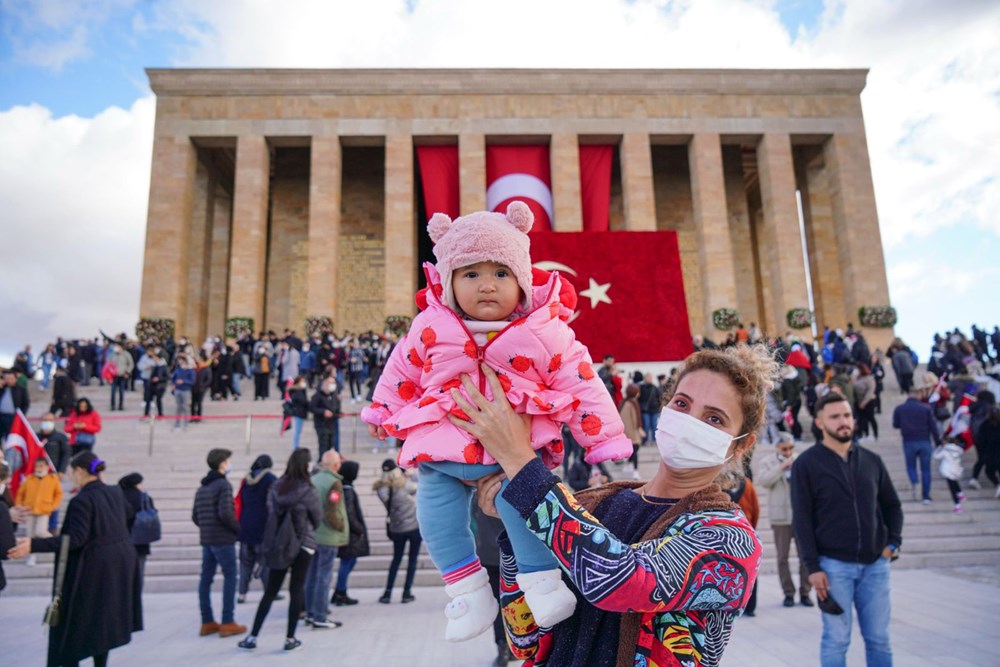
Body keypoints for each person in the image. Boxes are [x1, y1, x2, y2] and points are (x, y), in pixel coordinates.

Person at [362, 203, 631, 640]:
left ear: (522, 280)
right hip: (444, 449)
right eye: (471, 274)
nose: (487, 285)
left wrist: (603, 439)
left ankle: (540, 580)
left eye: (501, 274)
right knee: (434, 510)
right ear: (448, 281)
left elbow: (582, 382)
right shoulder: (430, 325)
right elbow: (401, 371)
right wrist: (382, 410)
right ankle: (466, 589)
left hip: (514, 457)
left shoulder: (547, 331)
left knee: (519, 503)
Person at [456, 347, 766, 667]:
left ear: (741, 444)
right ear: (665, 406)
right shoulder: (591, 504)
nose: (690, 421)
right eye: (682, 404)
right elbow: (524, 640)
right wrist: (517, 522)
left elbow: (621, 581)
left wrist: (522, 463)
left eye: (714, 418)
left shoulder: (731, 540)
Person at [792, 393, 903, 667]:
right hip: (833, 568)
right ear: (819, 422)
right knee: (836, 638)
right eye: (835, 417)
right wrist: (812, 567)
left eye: (846, 415)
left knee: (879, 638)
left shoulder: (872, 460)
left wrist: (892, 544)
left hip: (876, 565)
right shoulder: (806, 464)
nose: (843, 422)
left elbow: (892, 506)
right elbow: (802, 520)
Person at [7, 451, 143, 666]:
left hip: (91, 571)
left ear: (80, 471)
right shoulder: (115, 493)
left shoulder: (83, 500)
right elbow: (127, 516)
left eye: (71, 471)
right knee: (102, 624)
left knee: (74, 625)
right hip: (117, 567)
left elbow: (75, 540)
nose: (70, 476)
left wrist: (34, 544)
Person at [239, 448, 322, 652]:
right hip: (304, 544)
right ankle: (290, 638)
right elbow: (317, 519)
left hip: (280, 544)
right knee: (296, 590)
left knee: (270, 592)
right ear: (306, 465)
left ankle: (253, 636)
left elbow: (271, 513)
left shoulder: (277, 486)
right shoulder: (308, 489)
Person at [192, 448, 246, 638]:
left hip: (207, 539)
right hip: (223, 539)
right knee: (231, 576)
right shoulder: (223, 485)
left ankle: (207, 621)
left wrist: (207, 527)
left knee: (206, 579)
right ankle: (227, 621)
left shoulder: (202, 488)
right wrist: (238, 529)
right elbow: (226, 513)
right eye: (228, 461)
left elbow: (195, 516)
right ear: (222, 463)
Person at [756, 433, 813, 608]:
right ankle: (788, 592)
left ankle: (805, 592)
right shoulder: (769, 462)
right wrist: (781, 466)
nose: (788, 452)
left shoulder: (801, 460)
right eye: (784, 449)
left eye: (790, 448)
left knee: (805, 556)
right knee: (782, 557)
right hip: (780, 517)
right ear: (778, 448)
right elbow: (764, 481)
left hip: (801, 516)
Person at [303, 449, 347, 629]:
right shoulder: (334, 483)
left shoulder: (313, 480)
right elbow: (332, 509)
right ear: (336, 465)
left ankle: (310, 612)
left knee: (311, 575)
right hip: (328, 536)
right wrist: (340, 526)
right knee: (324, 576)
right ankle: (320, 615)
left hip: (313, 534)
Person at [374, 459, 422, 604]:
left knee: (396, 559)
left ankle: (388, 592)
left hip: (396, 528)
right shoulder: (405, 485)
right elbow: (420, 486)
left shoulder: (381, 489)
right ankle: (406, 592)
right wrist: (412, 474)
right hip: (414, 527)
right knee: (412, 560)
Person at [236, 454, 277, 603]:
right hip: (263, 527)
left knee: (245, 564)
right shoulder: (270, 479)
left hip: (245, 527)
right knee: (265, 562)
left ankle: (241, 594)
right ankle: (270, 593)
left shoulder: (246, 480)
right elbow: (272, 504)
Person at [718, 470, 759, 616]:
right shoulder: (746, 483)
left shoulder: (716, 485)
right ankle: (749, 606)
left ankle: (733, 605)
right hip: (745, 529)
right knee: (749, 570)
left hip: (725, 531)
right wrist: (751, 528)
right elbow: (756, 509)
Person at [892, 387, 941, 503]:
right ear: (919, 395)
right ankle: (926, 496)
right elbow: (933, 427)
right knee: (926, 469)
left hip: (909, 441)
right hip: (924, 440)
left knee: (911, 466)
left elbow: (895, 424)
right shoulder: (926, 409)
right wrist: (938, 442)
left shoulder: (899, 409)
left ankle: (915, 482)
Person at [332, 459, 369, 607]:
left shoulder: (343, 487)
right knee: (347, 562)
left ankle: (339, 591)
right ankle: (340, 592)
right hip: (350, 534)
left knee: (349, 561)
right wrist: (359, 529)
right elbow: (350, 513)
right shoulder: (347, 490)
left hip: (348, 532)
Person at [15, 457, 63, 566]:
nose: (39, 469)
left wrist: (53, 505)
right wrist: (19, 505)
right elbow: (20, 494)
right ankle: (32, 556)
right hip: (30, 509)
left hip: (44, 509)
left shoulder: (52, 479)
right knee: (30, 534)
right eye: (37, 466)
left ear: (47, 467)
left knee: (40, 531)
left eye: (41, 466)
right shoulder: (30, 479)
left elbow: (58, 494)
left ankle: (57, 543)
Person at [119, 472, 156, 593]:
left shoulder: (119, 497)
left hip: (122, 541)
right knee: (139, 573)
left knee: (123, 574)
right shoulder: (145, 498)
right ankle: (136, 601)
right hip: (141, 540)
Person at [973, 403, 1000, 497]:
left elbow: (980, 440)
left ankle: (997, 484)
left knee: (989, 471)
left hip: (990, 454)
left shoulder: (985, 425)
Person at [933, 439, 966, 513]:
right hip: (956, 470)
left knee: (952, 488)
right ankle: (960, 493)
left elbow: (935, 456)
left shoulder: (944, 450)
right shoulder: (958, 450)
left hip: (947, 471)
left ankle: (957, 505)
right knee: (954, 483)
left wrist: (939, 447)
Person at [619, 383, 644, 480]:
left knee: (634, 450)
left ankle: (628, 464)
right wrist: (639, 429)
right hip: (632, 432)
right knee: (635, 449)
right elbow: (635, 418)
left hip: (626, 431)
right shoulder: (633, 403)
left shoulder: (624, 402)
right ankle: (635, 471)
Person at [310, 377, 341, 455]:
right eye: (331, 383)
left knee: (330, 444)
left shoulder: (334, 395)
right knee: (323, 444)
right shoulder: (318, 395)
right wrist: (323, 412)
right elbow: (312, 408)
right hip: (321, 424)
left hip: (331, 423)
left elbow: (335, 408)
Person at [0, 369, 30, 441]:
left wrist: (20, 415)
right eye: (7, 379)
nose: (9, 381)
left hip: (13, 417)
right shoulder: (2, 388)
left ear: (16, 379)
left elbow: (26, 404)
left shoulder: (21, 389)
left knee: (10, 438)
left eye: (11, 379)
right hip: (1, 416)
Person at [170, 353, 196, 429]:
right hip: (178, 389)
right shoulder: (178, 369)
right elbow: (173, 378)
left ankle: (186, 423)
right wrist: (173, 384)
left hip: (186, 390)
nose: (180, 362)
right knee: (178, 406)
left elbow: (192, 381)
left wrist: (184, 381)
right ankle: (177, 422)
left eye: (181, 361)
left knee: (185, 407)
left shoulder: (190, 370)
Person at [854, 363, 878, 441]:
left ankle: (875, 434)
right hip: (859, 401)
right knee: (862, 419)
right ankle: (865, 433)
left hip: (869, 401)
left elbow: (870, 391)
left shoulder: (869, 379)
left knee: (870, 418)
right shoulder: (858, 378)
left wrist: (864, 402)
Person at [107, 343, 135, 411]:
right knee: (113, 391)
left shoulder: (126, 354)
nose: (116, 348)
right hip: (113, 376)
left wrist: (127, 372)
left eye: (118, 347)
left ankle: (121, 405)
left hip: (122, 375)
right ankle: (112, 405)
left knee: (121, 391)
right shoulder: (112, 354)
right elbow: (108, 364)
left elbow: (131, 364)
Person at [287, 376, 310, 450]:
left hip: (301, 413)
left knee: (298, 431)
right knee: (297, 431)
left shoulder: (302, 391)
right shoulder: (296, 392)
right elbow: (303, 401)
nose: (304, 383)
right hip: (298, 413)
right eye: (302, 382)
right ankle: (295, 447)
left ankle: (296, 446)